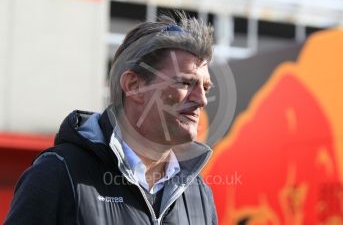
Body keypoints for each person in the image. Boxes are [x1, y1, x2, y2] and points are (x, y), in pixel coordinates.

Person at [5, 12, 217, 225]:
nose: (201, 100)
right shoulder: (58, 173)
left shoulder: (198, 195)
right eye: (185, 83)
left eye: (205, 88)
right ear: (134, 86)